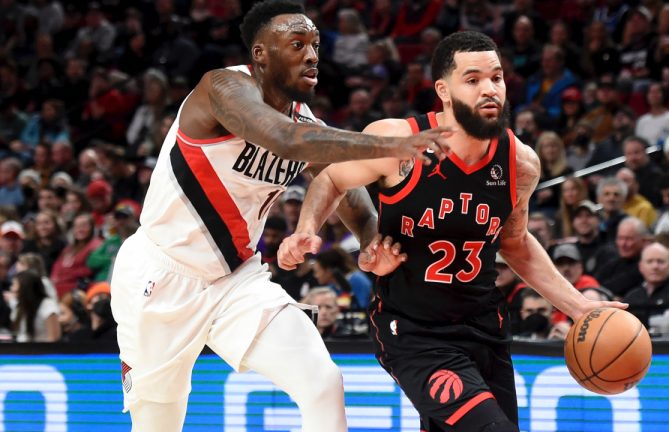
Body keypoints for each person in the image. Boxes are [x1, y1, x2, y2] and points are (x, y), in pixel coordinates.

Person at [109, 2, 453, 431]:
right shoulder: (220, 88)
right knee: (158, 422)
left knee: (322, 382)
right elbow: (283, 139)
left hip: (237, 280)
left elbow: (347, 191)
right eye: (296, 45)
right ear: (260, 55)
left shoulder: (305, 121)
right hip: (161, 276)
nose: (311, 55)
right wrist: (389, 145)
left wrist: (370, 241)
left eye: (314, 45)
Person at [277, 31, 624, 432]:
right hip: (414, 332)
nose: (489, 89)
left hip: (484, 330)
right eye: (473, 80)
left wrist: (580, 306)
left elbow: (515, 243)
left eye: (496, 77)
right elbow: (333, 178)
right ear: (443, 90)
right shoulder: (399, 141)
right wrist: (307, 228)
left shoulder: (520, 162)